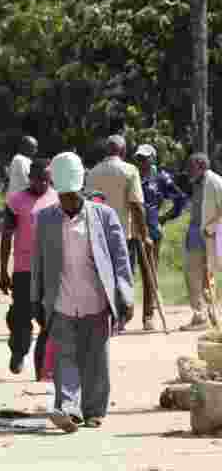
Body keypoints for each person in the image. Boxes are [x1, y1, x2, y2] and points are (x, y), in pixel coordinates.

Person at [31, 152, 133, 432]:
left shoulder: (104, 216)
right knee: (65, 358)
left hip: (97, 300)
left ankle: (94, 410)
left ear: (81, 190)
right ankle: (69, 410)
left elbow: (120, 259)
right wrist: (35, 300)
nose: (68, 202)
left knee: (96, 359)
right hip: (62, 301)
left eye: (73, 196)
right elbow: (37, 262)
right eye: (63, 197)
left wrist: (126, 295)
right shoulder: (45, 219)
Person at [86, 135, 153, 328]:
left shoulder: (93, 173)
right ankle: (121, 316)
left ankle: (107, 315)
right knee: (123, 274)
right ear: (123, 152)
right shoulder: (130, 170)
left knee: (102, 273)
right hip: (123, 234)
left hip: (98, 233)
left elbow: (89, 203)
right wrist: (145, 234)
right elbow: (137, 205)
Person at [0, 158, 58, 377]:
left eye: (45, 179)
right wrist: (3, 271)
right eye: (36, 179)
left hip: (50, 270)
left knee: (48, 320)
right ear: (30, 178)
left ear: (50, 178)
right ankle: (18, 351)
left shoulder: (58, 200)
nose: (41, 183)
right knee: (21, 317)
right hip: (24, 270)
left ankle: (42, 369)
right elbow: (6, 236)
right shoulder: (16, 201)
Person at [134, 144, 188, 330]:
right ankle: (122, 315)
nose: (141, 162)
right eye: (138, 158)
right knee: (126, 272)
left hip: (151, 231)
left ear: (152, 159)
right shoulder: (132, 175)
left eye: (144, 158)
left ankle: (148, 316)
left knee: (148, 272)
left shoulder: (161, 178)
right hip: (128, 229)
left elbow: (181, 198)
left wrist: (165, 217)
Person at [182, 153, 222, 331]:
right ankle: (201, 314)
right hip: (194, 232)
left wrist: (212, 228)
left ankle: (210, 314)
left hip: (207, 233)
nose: (189, 170)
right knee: (193, 274)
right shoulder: (196, 182)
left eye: (192, 166)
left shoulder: (215, 182)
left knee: (207, 276)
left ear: (201, 165)